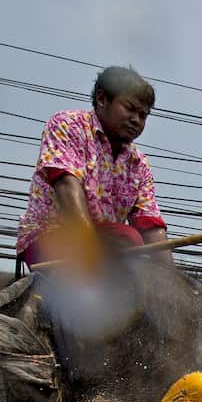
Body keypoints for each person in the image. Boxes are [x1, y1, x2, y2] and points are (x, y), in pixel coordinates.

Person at [17, 66, 170, 269]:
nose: (136, 120)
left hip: (108, 244)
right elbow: (67, 187)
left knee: (136, 256)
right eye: (130, 109)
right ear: (101, 99)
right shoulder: (68, 126)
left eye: (143, 115)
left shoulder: (139, 164)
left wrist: (174, 283)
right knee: (126, 238)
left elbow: (149, 225)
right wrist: (91, 251)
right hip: (50, 239)